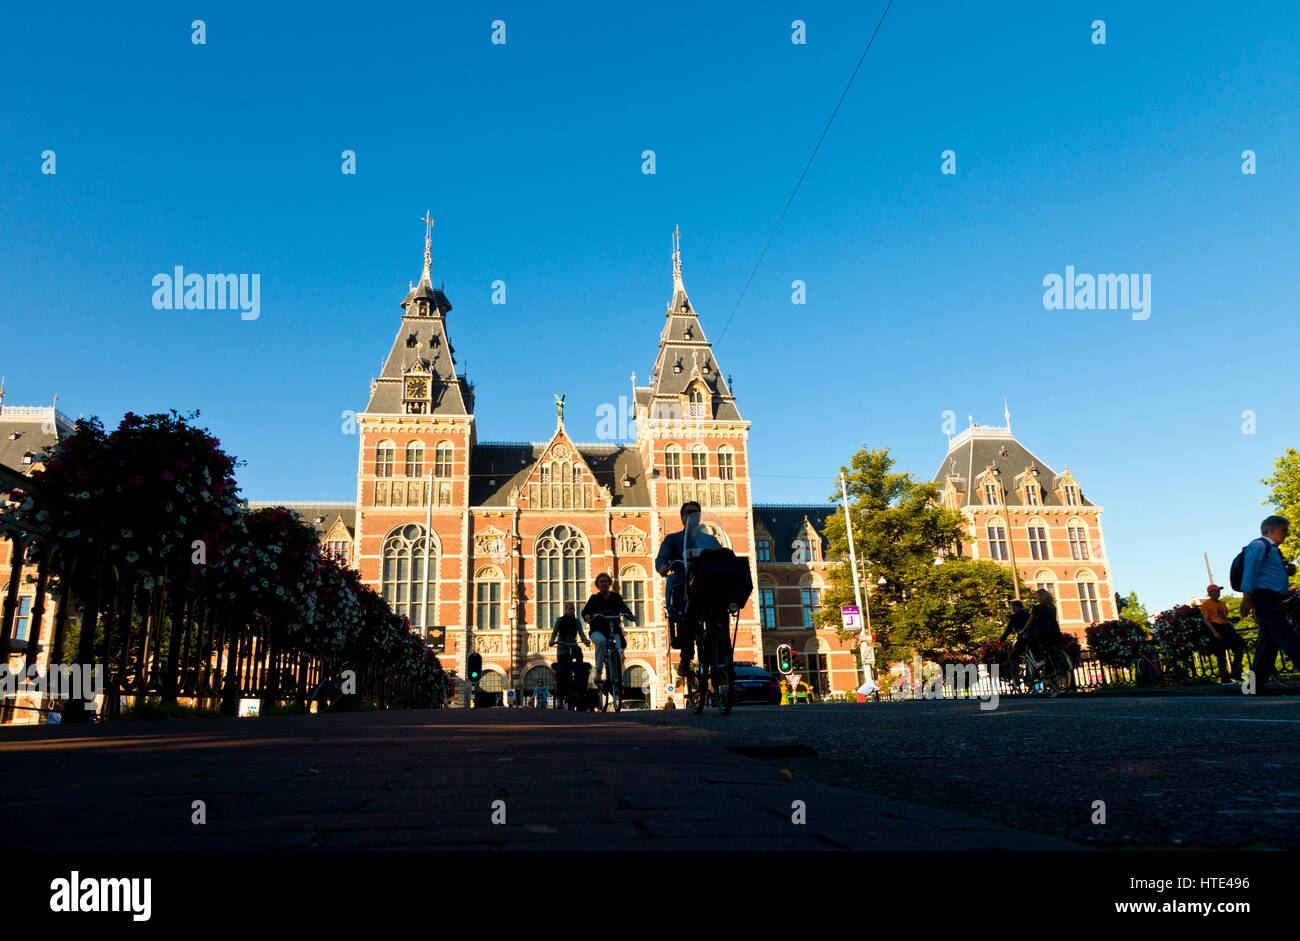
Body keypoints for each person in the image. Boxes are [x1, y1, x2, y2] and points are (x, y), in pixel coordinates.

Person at [654, 500, 720, 683]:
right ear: (682, 517)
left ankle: (720, 658)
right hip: (682, 584)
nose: (692, 516)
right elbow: (661, 558)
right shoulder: (673, 539)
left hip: (705, 584)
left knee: (719, 615)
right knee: (686, 616)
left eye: (696, 513)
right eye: (689, 512)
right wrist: (661, 567)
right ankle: (685, 660)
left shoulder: (709, 539)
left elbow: (722, 554)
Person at [1240, 515, 1299, 693]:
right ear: (1270, 531)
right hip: (1265, 598)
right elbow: (1250, 571)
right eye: (1284, 531)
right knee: (1288, 637)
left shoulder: (1272, 549)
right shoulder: (1259, 545)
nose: (1287, 535)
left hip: (1271, 599)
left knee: (1268, 644)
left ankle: (1252, 687)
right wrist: (1246, 598)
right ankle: (1252, 686)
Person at [582, 572, 636, 693]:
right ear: (598, 584)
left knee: (617, 650)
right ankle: (598, 673)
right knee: (601, 642)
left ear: (609, 583)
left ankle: (615, 679)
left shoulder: (616, 597)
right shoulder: (594, 599)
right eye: (601, 582)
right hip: (597, 630)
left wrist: (630, 616)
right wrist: (587, 617)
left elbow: (624, 609)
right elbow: (585, 611)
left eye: (606, 581)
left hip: (613, 630)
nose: (604, 584)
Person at [1200, 583, 1245, 685]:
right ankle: (1225, 679)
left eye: (1219, 591)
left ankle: (1236, 674)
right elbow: (1206, 620)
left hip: (1226, 627)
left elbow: (1222, 616)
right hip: (1215, 627)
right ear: (1210, 593)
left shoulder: (1222, 604)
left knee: (1239, 648)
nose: (1218, 592)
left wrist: (1231, 620)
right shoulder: (1206, 604)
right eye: (1216, 591)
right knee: (1221, 655)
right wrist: (1214, 632)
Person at [548, 602, 589, 708]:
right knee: (562, 674)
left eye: (573, 609)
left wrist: (585, 640)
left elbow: (581, 633)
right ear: (566, 610)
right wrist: (552, 641)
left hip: (573, 646)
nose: (572, 611)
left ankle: (579, 684)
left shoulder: (577, 621)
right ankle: (561, 698)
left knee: (579, 656)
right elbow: (554, 633)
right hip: (562, 648)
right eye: (570, 609)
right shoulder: (560, 620)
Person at [1022, 588, 1062, 653]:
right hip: (1055, 631)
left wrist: (1023, 630)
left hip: (1044, 633)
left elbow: (1030, 620)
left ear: (1040, 597)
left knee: (1031, 643)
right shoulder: (1052, 607)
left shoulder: (1037, 607)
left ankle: (1042, 659)